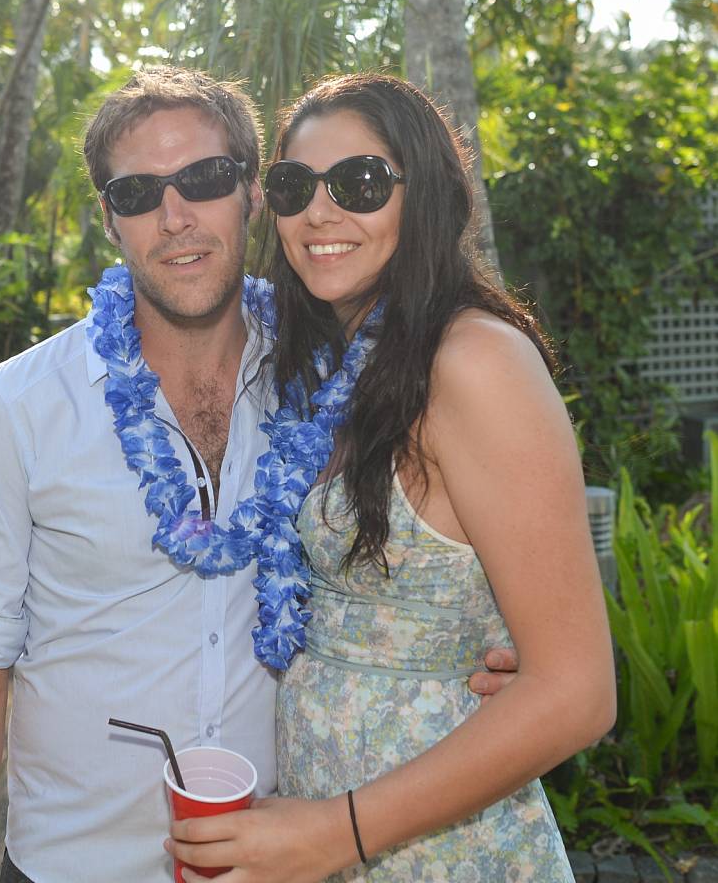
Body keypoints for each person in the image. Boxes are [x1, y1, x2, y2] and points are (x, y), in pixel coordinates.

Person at [0, 67, 517, 883]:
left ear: (251, 196)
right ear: (109, 220)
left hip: (283, 853)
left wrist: (487, 629)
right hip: (75, 863)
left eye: (203, 179)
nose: (174, 217)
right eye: (137, 193)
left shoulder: (335, 378)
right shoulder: (15, 406)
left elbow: (436, 535)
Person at [166, 73, 616, 882]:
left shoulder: (475, 361)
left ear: (428, 196)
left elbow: (578, 692)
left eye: (361, 183)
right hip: (321, 827)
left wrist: (334, 834)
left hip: (433, 842)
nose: (320, 212)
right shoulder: (338, 366)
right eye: (295, 186)